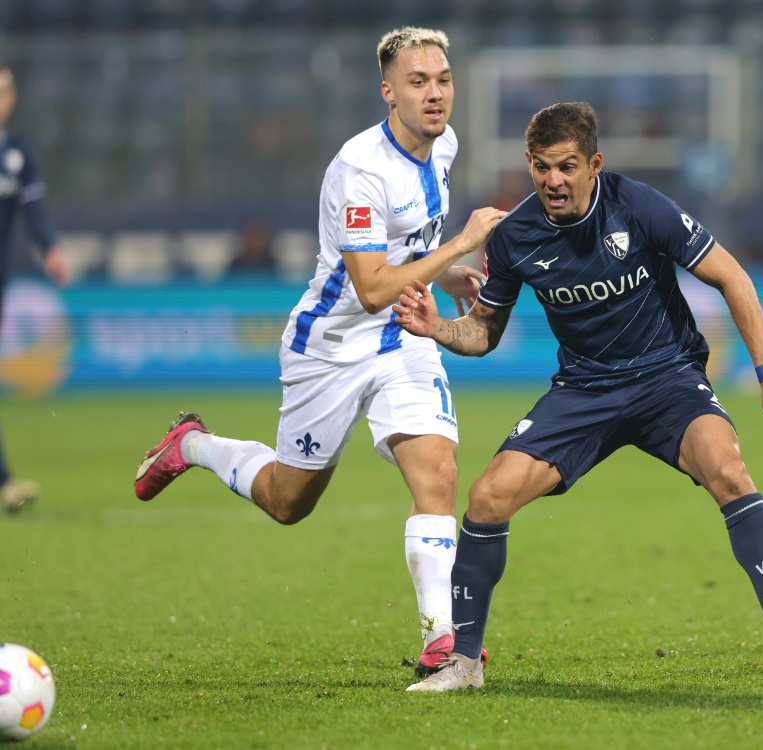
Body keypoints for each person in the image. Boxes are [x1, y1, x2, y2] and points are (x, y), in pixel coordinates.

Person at [395, 102, 763, 691]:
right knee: (488, 496)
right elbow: (484, 331)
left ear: (594, 164)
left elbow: (732, 276)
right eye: (543, 167)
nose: (554, 180)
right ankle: (464, 664)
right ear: (529, 164)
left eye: (568, 167)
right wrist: (438, 330)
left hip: (667, 378)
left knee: (727, 468)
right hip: (585, 391)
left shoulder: (639, 206)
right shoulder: (514, 236)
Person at [134, 28, 505, 675]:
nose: (435, 92)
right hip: (328, 350)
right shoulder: (359, 169)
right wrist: (460, 247)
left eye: (442, 78)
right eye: (418, 82)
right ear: (388, 92)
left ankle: (439, 640)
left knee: (438, 476)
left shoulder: (442, 144)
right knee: (287, 501)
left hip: (403, 334)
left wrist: (438, 273)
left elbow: (404, 248)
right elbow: (367, 290)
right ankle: (191, 444)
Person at [0, 59, 69, 513]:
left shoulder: (17, 151)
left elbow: (33, 209)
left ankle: (4, 480)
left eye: (6, 88)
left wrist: (50, 248)